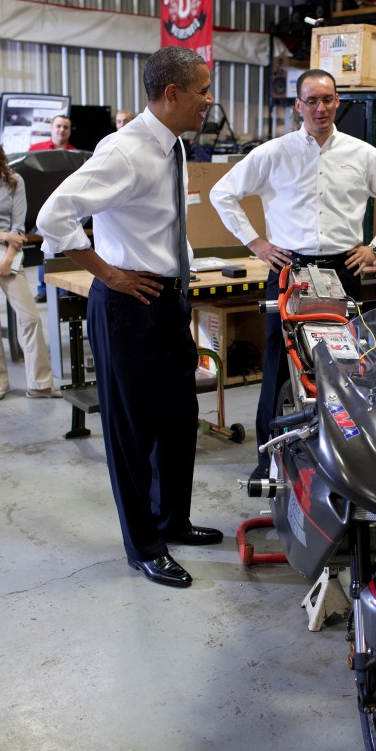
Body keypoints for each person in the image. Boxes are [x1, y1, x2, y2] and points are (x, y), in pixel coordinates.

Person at [36, 46, 223, 589]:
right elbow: (53, 215)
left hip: (167, 300)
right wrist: (108, 273)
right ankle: (144, 546)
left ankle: (172, 520)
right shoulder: (125, 151)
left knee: (178, 420)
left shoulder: (173, 145)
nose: (208, 101)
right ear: (172, 94)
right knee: (132, 432)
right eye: (202, 91)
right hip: (128, 303)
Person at [210, 68, 376, 479]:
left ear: (337, 102)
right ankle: (269, 463)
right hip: (289, 269)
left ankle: (340, 459)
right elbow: (223, 193)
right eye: (312, 100)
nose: (320, 108)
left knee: (344, 367)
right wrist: (256, 243)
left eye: (327, 99)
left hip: (344, 269)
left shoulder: (362, 154)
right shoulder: (274, 153)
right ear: (298, 106)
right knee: (278, 366)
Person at [0, 132, 62, 400]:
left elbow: (18, 226)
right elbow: (9, 233)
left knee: (30, 317)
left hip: (8, 253)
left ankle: (40, 384)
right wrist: (4, 235)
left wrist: (9, 255)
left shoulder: (14, 181)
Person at [30, 115, 77, 302]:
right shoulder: (36, 151)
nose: (61, 130)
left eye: (65, 127)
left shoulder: (75, 155)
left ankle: (64, 290)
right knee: (45, 247)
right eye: (58, 126)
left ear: (69, 131)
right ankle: (43, 289)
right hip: (41, 208)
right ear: (51, 128)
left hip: (66, 210)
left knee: (66, 247)